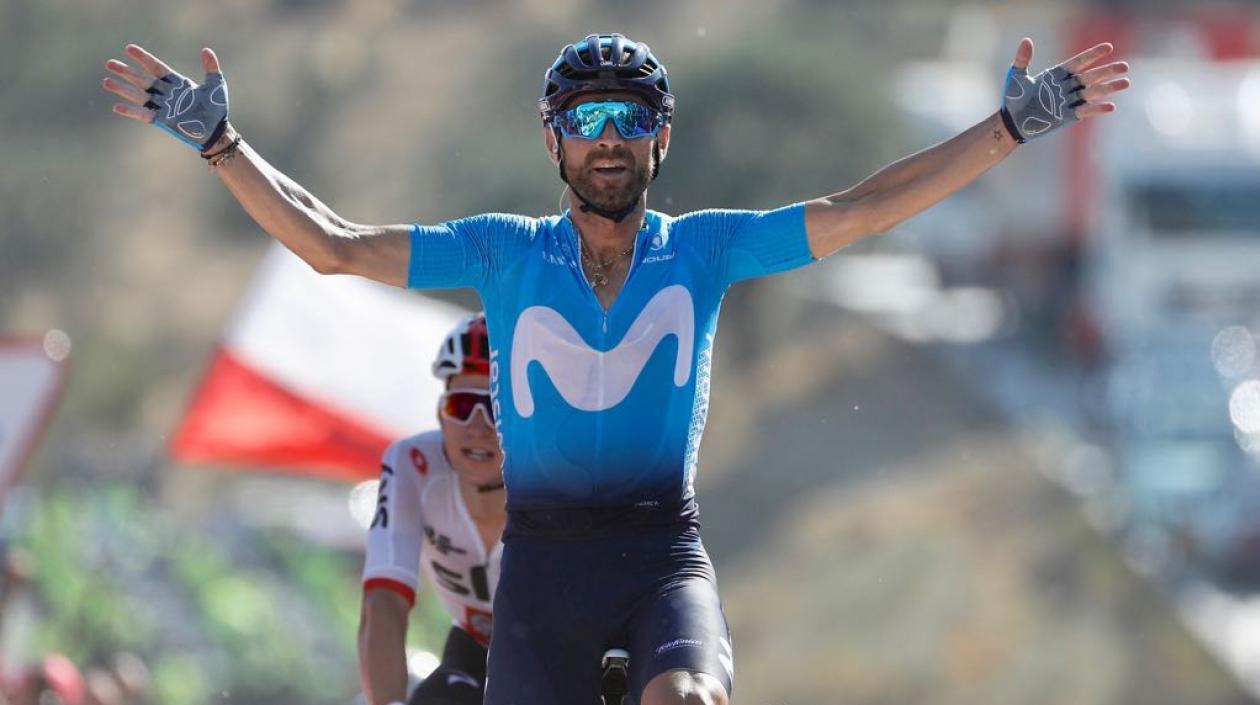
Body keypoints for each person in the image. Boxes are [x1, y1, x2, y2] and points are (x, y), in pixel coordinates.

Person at [103, 31, 1130, 705]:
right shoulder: (503, 251)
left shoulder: (708, 248)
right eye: (586, 120)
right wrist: (222, 144)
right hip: (542, 569)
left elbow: (861, 210)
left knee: (683, 699)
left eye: (630, 119)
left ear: (661, 140)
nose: (608, 140)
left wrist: (1008, 130)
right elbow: (334, 244)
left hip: (659, 554)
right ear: (553, 142)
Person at [359, 314, 504, 705]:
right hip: (475, 645)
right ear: (441, 413)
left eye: (495, 407)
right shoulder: (413, 466)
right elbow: (383, 603)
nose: (477, 427)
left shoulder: (561, 475)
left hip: (567, 654)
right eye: (462, 405)